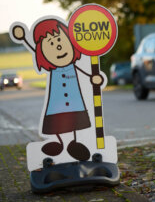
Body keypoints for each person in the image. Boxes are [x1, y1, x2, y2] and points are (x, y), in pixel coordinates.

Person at [12, 19, 103, 161]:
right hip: (56, 100)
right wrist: (23, 37)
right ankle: (59, 143)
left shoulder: (73, 65)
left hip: (74, 101)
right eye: (51, 44)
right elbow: (35, 48)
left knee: (74, 120)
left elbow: (86, 74)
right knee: (56, 120)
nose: (58, 47)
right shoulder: (53, 70)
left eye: (60, 40)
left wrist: (94, 79)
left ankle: (73, 143)